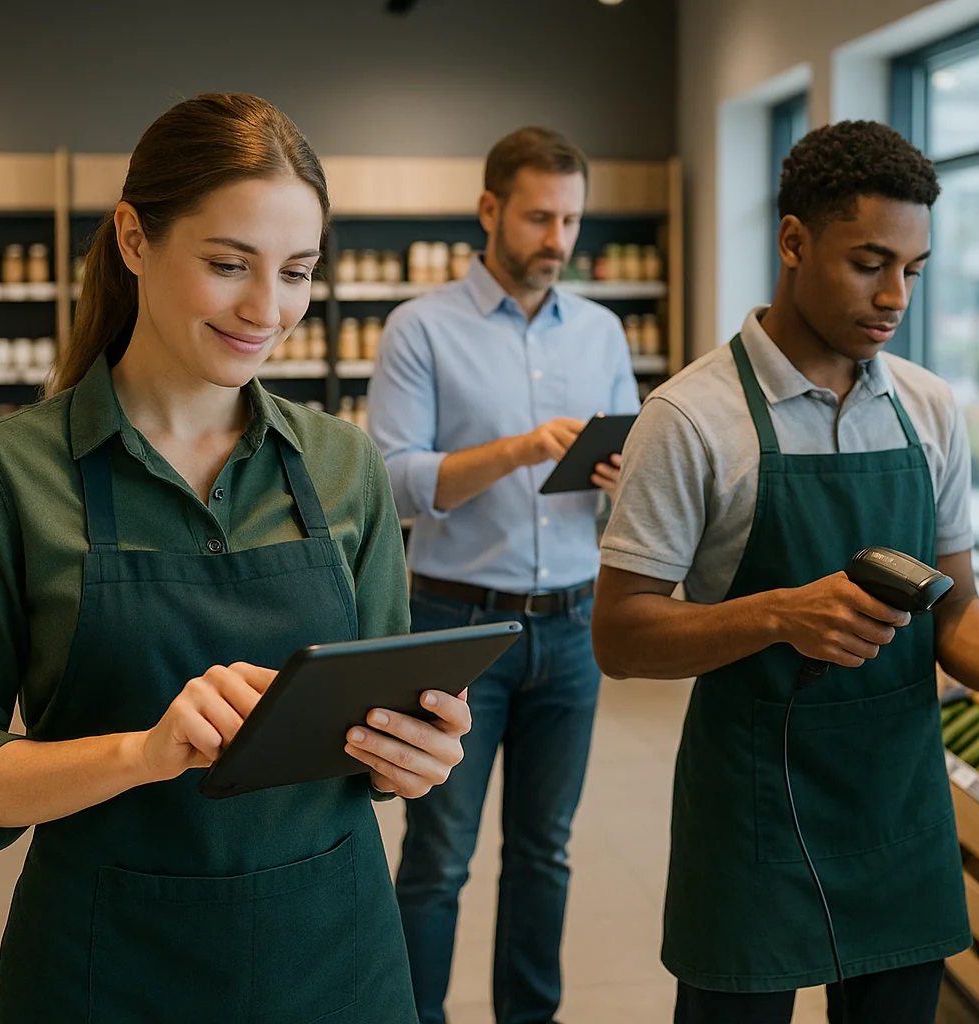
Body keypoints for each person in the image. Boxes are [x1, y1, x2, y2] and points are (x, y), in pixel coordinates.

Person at [0, 94, 469, 1023]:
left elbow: (382, 725)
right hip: (106, 962)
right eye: (228, 265)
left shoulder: (345, 465)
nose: (266, 309)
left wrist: (415, 752)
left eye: (296, 272)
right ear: (132, 238)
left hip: (333, 954)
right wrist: (140, 753)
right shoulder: (10, 475)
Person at [590, 120, 979, 1024]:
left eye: (913, 269)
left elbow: (959, 612)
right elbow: (621, 634)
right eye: (871, 262)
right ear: (794, 241)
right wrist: (776, 615)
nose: (896, 295)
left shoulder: (931, 409)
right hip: (753, 809)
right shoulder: (688, 420)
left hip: (898, 805)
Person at [368, 126, 640, 1024]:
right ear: (489, 211)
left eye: (569, 219)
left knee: (544, 853)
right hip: (454, 624)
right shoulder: (421, 327)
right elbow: (396, 478)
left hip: (572, 624)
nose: (557, 239)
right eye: (537, 217)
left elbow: (631, 458)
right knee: (440, 856)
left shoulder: (601, 331)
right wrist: (520, 450)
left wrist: (617, 470)